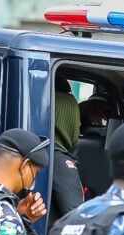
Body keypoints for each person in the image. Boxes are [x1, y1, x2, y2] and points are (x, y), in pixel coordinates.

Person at [50, 82, 84, 227]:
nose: (80, 124)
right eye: (76, 119)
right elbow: (77, 218)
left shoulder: (43, 152)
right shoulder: (61, 162)